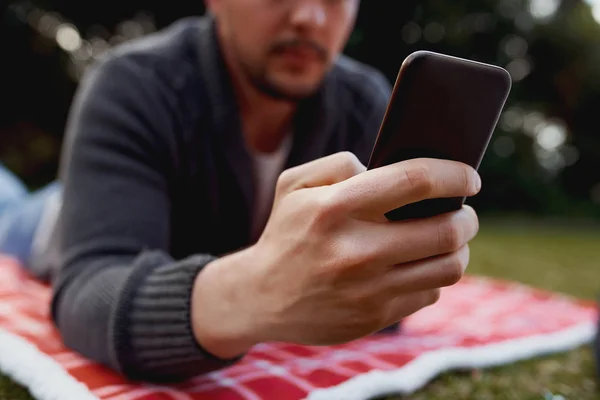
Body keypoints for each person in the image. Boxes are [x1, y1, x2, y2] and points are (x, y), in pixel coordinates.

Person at [0, 0, 482, 383]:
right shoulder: (135, 84)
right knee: (11, 212)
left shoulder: (365, 105)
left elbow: (370, 290)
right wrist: (252, 296)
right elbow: (89, 290)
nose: (309, 16)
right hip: (56, 223)